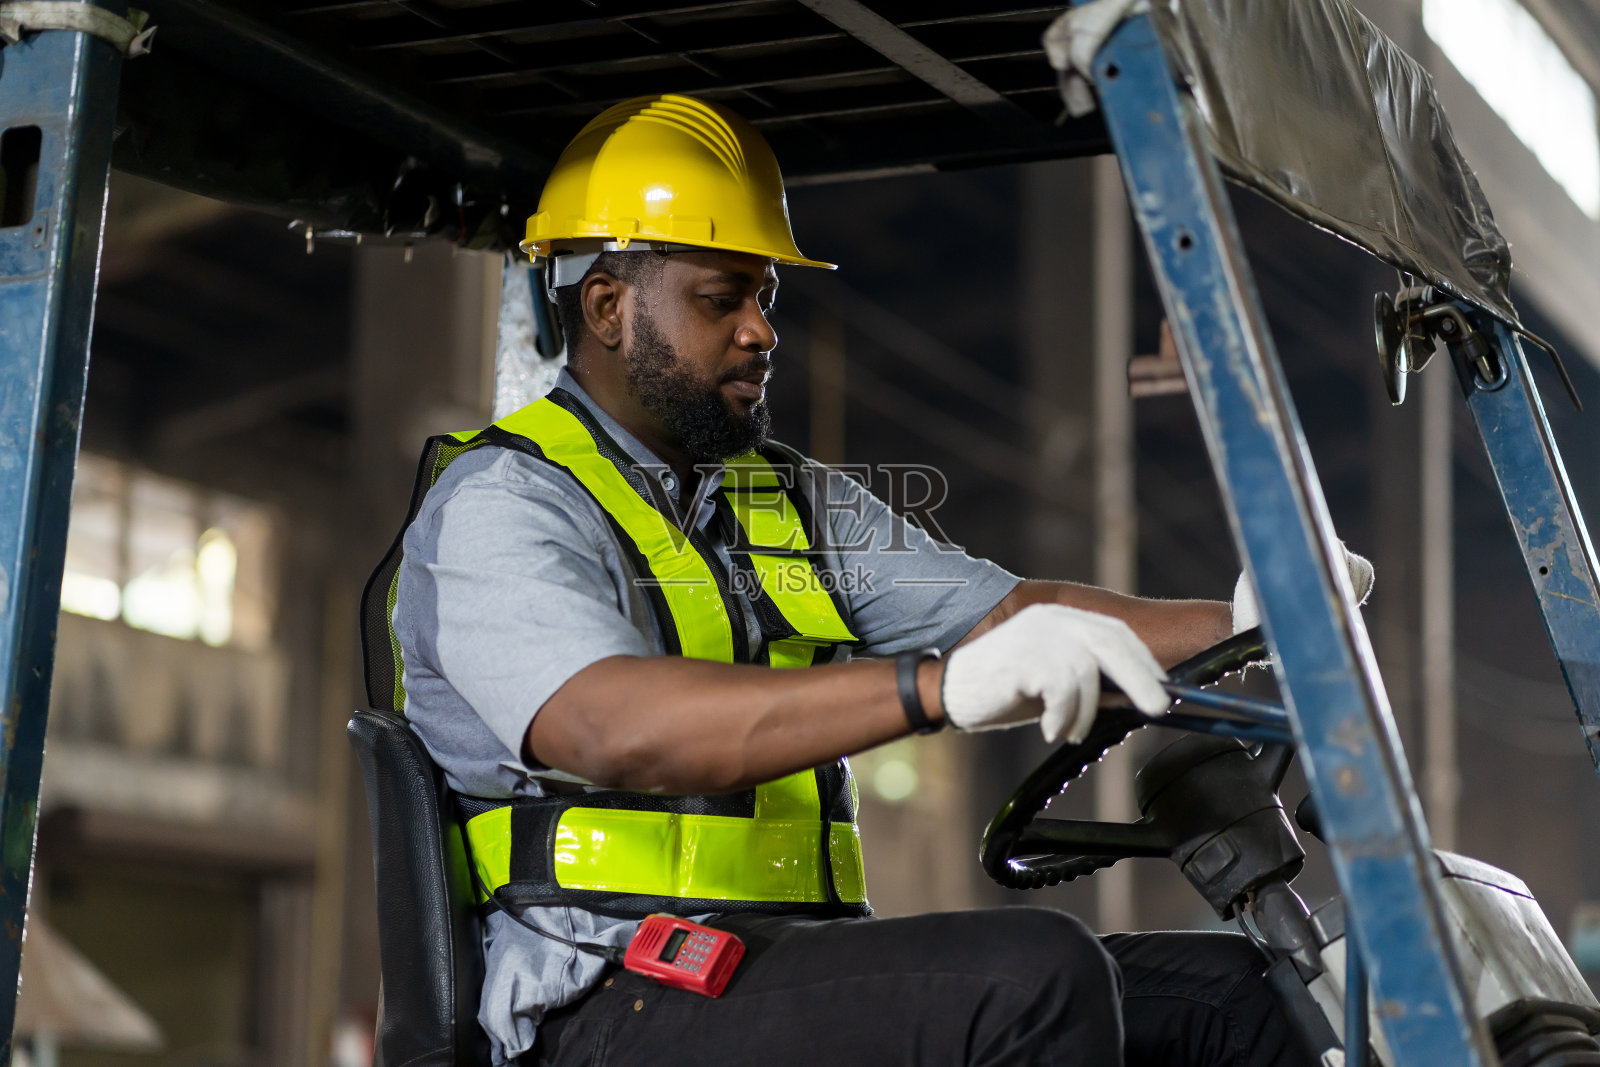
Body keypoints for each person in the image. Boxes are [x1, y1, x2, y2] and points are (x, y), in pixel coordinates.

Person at [383, 93, 1364, 1066]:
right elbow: (612, 727)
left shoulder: (789, 502)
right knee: (1035, 978)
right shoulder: (501, 506)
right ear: (607, 306)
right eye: (721, 298)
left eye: (764, 296)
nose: (761, 330)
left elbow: (1014, 614)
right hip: (602, 1003)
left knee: (1250, 996)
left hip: (784, 963)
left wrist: (1257, 618)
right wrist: (933, 687)